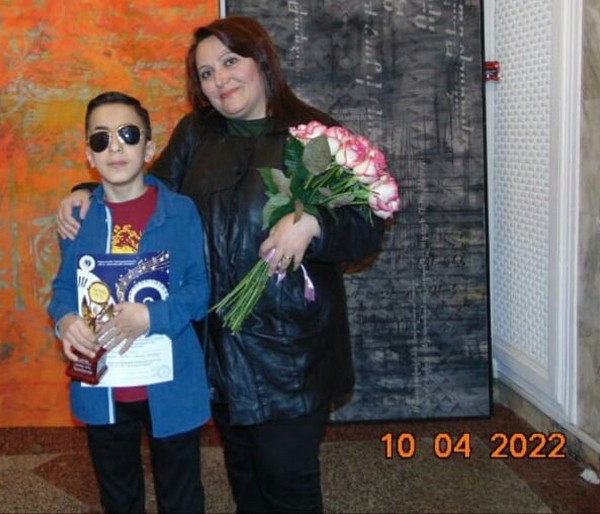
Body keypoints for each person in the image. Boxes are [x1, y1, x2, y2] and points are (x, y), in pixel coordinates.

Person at [57, 17, 385, 514]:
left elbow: (366, 224)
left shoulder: (314, 134)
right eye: (207, 73)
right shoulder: (197, 133)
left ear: (262, 61)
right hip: (220, 350)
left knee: (286, 477)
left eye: (230, 62)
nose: (220, 80)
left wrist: (314, 224)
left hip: (289, 353)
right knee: (245, 473)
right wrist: (87, 192)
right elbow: (147, 187)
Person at [48, 91, 210, 513]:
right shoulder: (78, 218)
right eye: (101, 139)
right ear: (89, 155)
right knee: (118, 496)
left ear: (149, 148)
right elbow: (63, 289)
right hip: (103, 386)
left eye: (128, 134)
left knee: (181, 495)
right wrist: (65, 321)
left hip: (170, 383)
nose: (115, 147)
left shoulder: (181, 212)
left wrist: (151, 316)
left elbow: (198, 291)